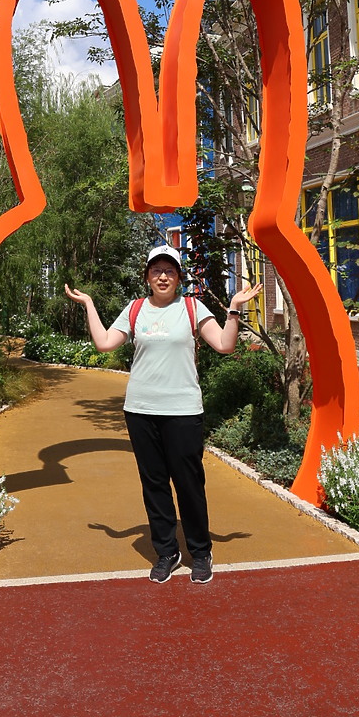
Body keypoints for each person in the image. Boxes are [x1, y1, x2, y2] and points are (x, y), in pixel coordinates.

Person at [65, 244, 262, 584]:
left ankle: (200, 551)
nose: (163, 276)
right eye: (156, 270)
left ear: (178, 277)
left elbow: (224, 345)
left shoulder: (191, 307)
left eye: (169, 270)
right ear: (147, 277)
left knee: (189, 484)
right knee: (154, 484)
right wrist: (90, 305)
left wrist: (233, 310)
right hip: (140, 411)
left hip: (183, 411)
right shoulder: (135, 309)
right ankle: (167, 552)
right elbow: (105, 343)